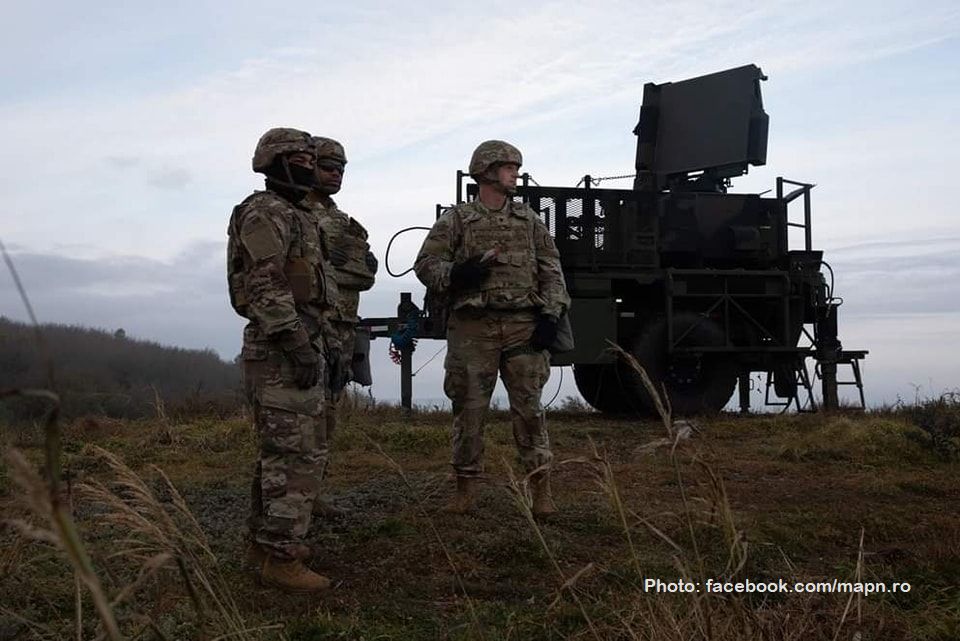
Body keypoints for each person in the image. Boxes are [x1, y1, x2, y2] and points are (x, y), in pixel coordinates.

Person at [414, 140, 570, 516]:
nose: (516, 173)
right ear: (486, 171)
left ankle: (541, 493)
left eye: (516, 167)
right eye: (509, 167)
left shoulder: (529, 220)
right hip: (473, 329)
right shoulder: (457, 220)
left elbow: (552, 270)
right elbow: (425, 265)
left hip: (523, 327)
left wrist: (550, 316)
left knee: (530, 410)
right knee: (469, 412)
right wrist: (459, 274)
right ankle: (465, 489)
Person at [227, 127, 345, 592]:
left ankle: (265, 547)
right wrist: (297, 343)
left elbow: (317, 289)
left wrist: (328, 342)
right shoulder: (263, 212)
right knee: (292, 456)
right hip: (279, 347)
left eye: (310, 157)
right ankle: (281, 556)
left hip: (303, 340)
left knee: (289, 453)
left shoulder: (300, 216)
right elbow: (265, 284)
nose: (309, 164)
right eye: (298, 156)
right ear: (274, 161)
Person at [304, 136, 378, 516]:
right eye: (328, 167)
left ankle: (313, 493)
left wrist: (336, 262)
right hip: (307, 327)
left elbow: (365, 274)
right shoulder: (293, 214)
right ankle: (291, 498)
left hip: (342, 328)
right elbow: (299, 273)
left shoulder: (344, 222)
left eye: (341, 169)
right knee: (301, 415)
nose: (335, 174)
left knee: (329, 413)